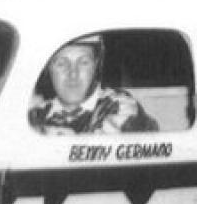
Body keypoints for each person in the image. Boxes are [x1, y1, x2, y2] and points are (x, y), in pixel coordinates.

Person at [29, 37, 157, 134]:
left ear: (96, 66)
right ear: (48, 68)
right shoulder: (36, 114)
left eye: (83, 62)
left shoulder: (117, 105)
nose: (73, 74)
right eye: (61, 64)